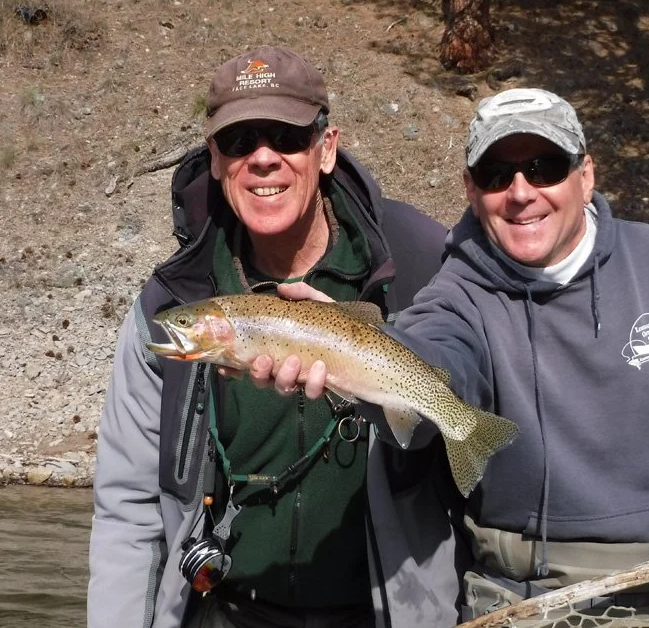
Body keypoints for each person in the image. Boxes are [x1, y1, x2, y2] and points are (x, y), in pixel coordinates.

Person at [255, 88, 649, 624]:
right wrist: (344, 349)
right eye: (497, 175)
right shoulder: (456, 295)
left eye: (544, 166)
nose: (521, 192)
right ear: (472, 190)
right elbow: (428, 360)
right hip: (521, 602)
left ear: (586, 174)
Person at [87, 45, 457, 628]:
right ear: (214, 158)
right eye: (239, 141)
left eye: (286, 137)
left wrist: (376, 387)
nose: (263, 159)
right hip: (227, 611)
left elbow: (473, 421)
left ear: (326, 147)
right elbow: (128, 510)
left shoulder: (419, 263)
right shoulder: (172, 303)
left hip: (383, 611)